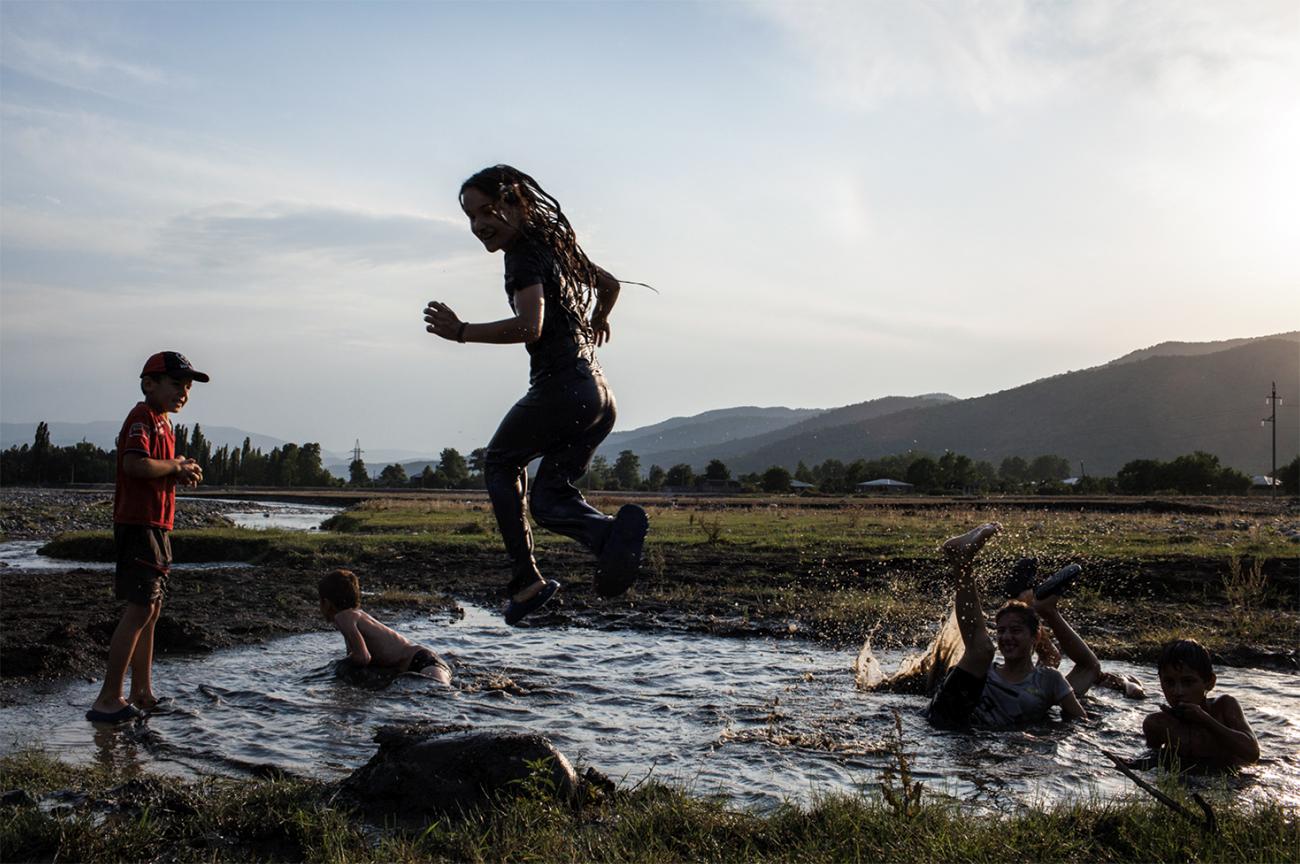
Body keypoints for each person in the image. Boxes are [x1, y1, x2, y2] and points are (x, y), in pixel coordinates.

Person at [424, 165, 649, 625]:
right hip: (599, 395)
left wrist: (462, 331)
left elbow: (531, 326)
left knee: (500, 462)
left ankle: (526, 580)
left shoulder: (524, 255)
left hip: (562, 389)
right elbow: (608, 285)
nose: (479, 225)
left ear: (515, 203)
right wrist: (600, 317)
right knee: (548, 500)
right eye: (470, 217)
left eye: (487, 211)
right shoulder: (554, 249)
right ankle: (609, 537)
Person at [86, 351, 208, 723]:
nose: (183, 392)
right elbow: (134, 464)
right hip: (139, 525)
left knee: (152, 610)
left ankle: (142, 691)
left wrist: (178, 468)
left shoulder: (163, 424)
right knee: (139, 608)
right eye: (176, 384)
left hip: (156, 526)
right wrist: (174, 466)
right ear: (149, 384)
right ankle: (109, 698)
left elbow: (154, 468)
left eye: (188, 387)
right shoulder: (142, 418)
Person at [925, 523, 1087, 729]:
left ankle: (1024, 598)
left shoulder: (1049, 679)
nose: (1006, 637)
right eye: (1001, 631)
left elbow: (1081, 723)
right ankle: (963, 563)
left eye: (1016, 631)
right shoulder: (986, 671)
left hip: (975, 740)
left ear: (1036, 637)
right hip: (946, 722)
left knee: (1051, 656)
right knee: (983, 650)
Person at [1004, 558, 1144, 699]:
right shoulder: (1113, 679)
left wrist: (1125, 683)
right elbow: (1135, 690)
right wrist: (1127, 684)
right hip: (1048, 701)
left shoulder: (1111, 679)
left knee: (1052, 657)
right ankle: (1036, 607)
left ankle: (1023, 602)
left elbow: (1131, 687)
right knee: (1085, 664)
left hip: (1031, 696)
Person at [318, 569, 451, 684]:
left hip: (423, 663)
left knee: (440, 695)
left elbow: (363, 657)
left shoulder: (343, 617)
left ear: (326, 603)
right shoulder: (356, 616)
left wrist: (335, 666)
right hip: (426, 662)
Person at [1142, 638, 1258, 766]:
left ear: (1209, 683)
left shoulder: (1223, 707)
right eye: (1169, 682)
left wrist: (1205, 719)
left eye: (1188, 682)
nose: (1178, 691)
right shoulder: (1158, 724)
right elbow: (1153, 760)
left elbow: (1252, 753)